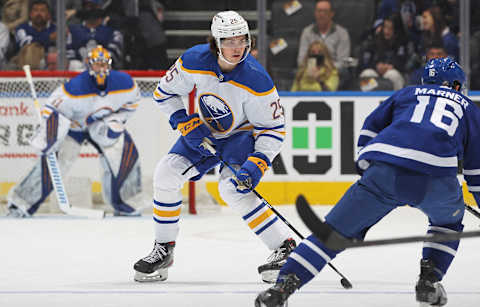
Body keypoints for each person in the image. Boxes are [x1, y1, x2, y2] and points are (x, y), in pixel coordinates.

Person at [255, 57, 478, 307]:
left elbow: (370, 128)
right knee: (448, 223)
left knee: (330, 235)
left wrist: (366, 167)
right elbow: (475, 169)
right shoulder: (468, 107)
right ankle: (429, 281)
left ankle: (281, 289)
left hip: (383, 172)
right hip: (437, 180)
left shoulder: (407, 93)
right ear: (457, 86)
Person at [133, 10, 295, 284]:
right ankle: (164, 250)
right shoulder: (194, 60)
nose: (237, 47)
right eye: (230, 41)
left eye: (242, 40)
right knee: (165, 174)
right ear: (216, 42)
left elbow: (273, 128)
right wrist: (182, 120)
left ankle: (283, 247)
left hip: (241, 137)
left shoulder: (258, 79)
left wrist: (258, 162)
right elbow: (164, 93)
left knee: (231, 188)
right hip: (204, 132)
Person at [7, 45, 142, 218]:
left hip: (101, 124)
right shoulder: (75, 88)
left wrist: (117, 119)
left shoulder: (124, 83)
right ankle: (20, 204)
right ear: (89, 65)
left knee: (125, 151)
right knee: (52, 161)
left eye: (104, 64)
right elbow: (52, 109)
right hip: (72, 127)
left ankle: (126, 203)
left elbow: (133, 102)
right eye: (97, 64)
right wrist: (49, 134)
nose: (101, 68)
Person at [296, 0, 350, 87]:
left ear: (332, 14)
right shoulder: (307, 32)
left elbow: (343, 62)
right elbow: (301, 60)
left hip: (333, 71)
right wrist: (313, 68)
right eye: (319, 11)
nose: (321, 14)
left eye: (325, 11)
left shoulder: (342, 33)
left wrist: (324, 68)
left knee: (344, 73)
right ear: (315, 13)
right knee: (298, 72)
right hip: (311, 69)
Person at [66, 0, 123, 70]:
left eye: (94, 6)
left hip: (105, 73)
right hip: (79, 73)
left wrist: (97, 63)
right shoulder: (73, 31)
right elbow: (70, 55)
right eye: (88, 6)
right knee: (74, 64)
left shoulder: (112, 31)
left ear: (100, 8)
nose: (91, 10)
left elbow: (113, 54)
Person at [13, 0, 56, 69]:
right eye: (35, 10)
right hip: (25, 63)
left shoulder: (55, 29)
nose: (39, 13)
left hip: (50, 64)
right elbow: (26, 44)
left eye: (42, 10)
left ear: (48, 14)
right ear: (30, 14)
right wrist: (49, 38)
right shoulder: (22, 29)